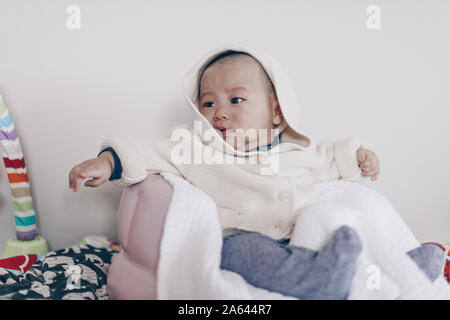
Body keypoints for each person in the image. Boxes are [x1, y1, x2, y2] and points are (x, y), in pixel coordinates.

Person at [68, 45, 448, 299]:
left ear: (277, 110)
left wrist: (360, 156)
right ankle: (317, 281)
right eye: (208, 103)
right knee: (245, 254)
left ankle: (402, 263)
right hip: (241, 239)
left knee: (347, 222)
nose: (220, 112)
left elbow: (332, 160)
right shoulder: (197, 148)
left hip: (303, 236)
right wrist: (106, 161)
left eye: (236, 99)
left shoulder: (299, 149)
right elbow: (149, 152)